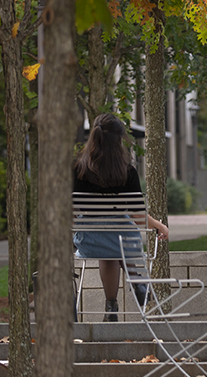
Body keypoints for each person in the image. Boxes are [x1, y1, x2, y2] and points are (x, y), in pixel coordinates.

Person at [72, 115, 168, 321]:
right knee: (121, 238)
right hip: (124, 242)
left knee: (109, 247)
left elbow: (70, 212)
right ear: (118, 140)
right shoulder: (127, 171)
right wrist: (159, 225)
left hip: (90, 241)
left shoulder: (78, 169)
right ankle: (139, 283)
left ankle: (111, 307)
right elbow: (137, 215)